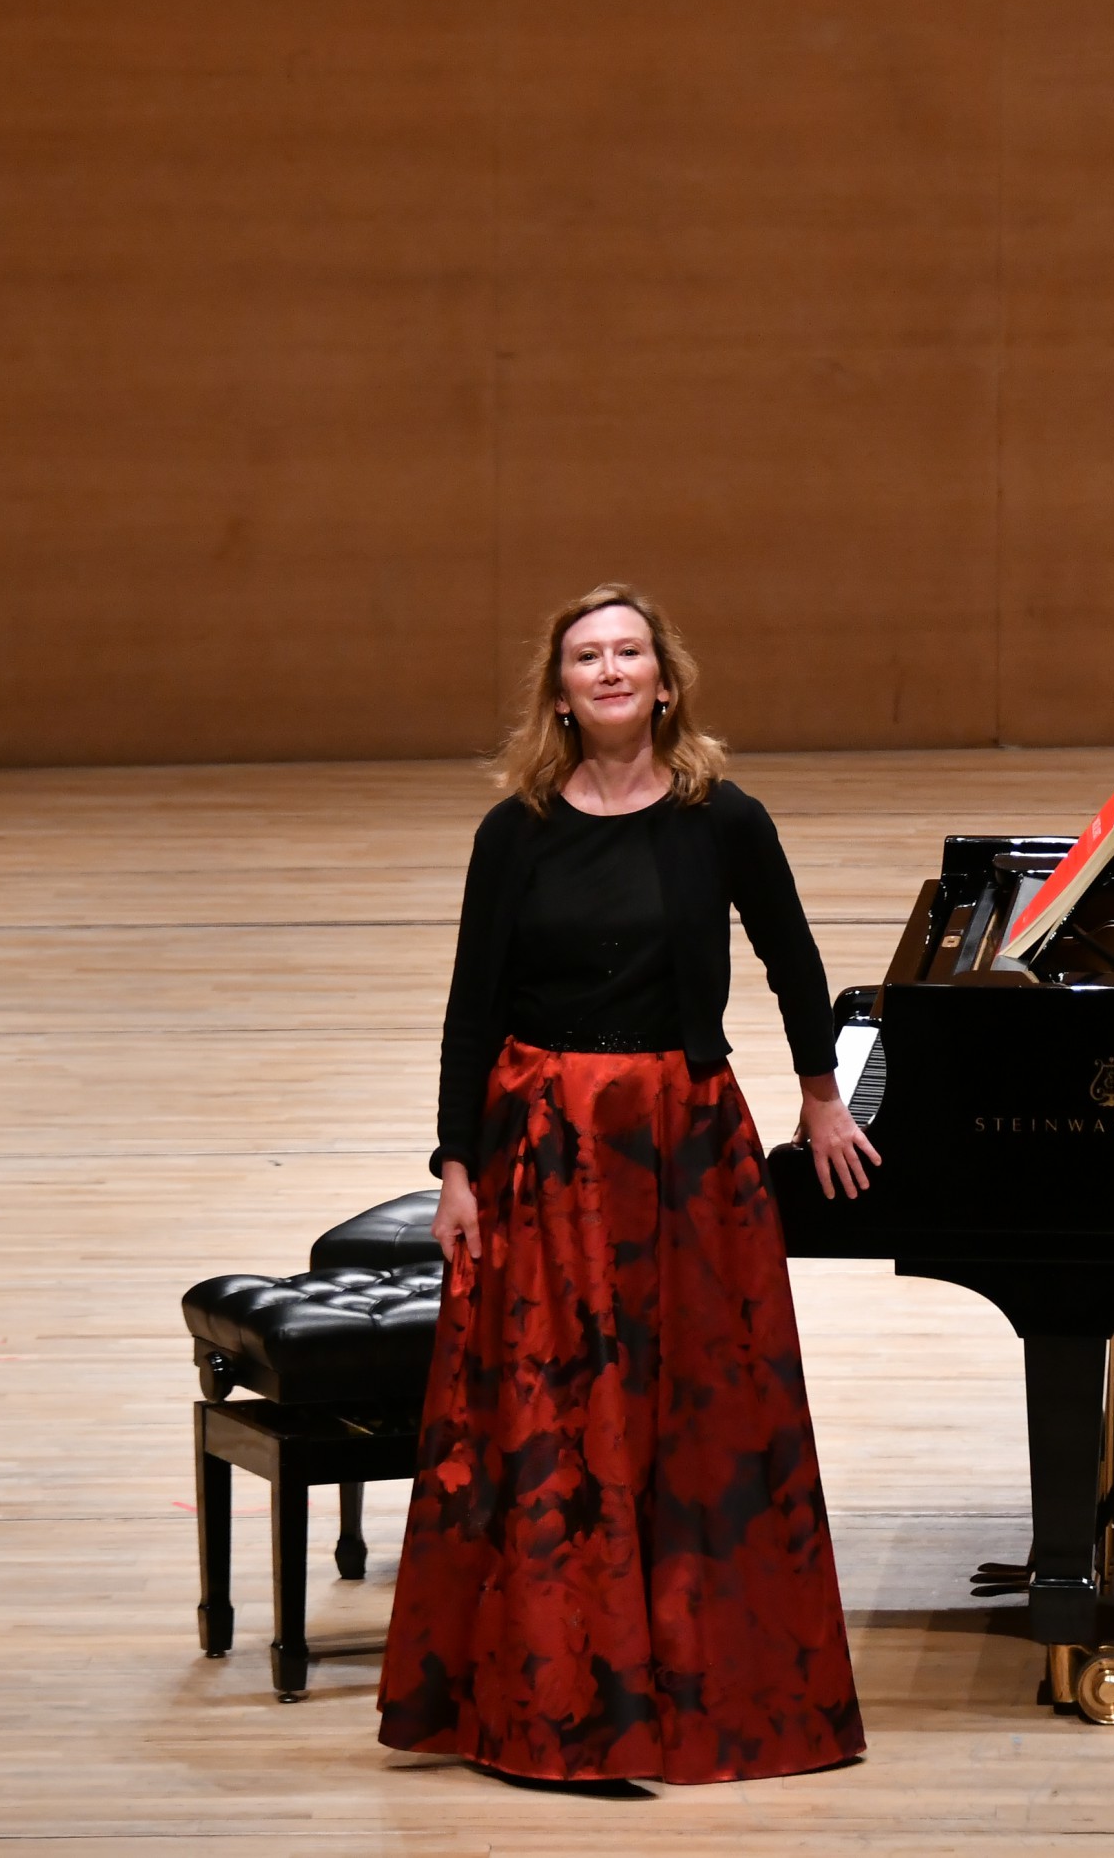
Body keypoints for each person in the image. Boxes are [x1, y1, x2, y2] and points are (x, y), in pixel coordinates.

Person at [378, 584, 873, 1785]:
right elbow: (469, 1009)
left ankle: (705, 1678)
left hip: (681, 1140)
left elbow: (791, 951)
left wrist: (820, 1095)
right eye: (587, 657)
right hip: (543, 1144)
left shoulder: (722, 819)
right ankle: (555, 1689)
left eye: (629, 653)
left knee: (696, 1411)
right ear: (560, 691)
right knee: (556, 1419)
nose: (609, 671)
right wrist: (453, 1166)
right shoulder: (517, 832)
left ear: (665, 680)